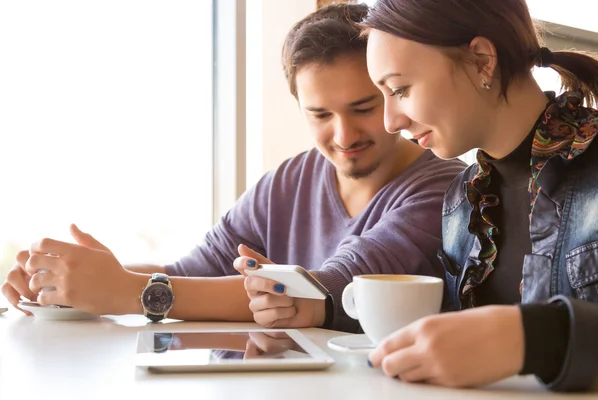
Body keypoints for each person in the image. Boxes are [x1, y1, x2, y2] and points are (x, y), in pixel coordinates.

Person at [0, 4, 464, 332]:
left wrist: (123, 292)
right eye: (320, 115)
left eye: (362, 107)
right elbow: (191, 273)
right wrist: (69, 283)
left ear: (390, 91)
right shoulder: (289, 181)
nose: (344, 136)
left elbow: (327, 290)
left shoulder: (444, 188)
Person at [361, 0, 598, 392]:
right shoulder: (461, 202)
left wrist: (530, 339)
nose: (390, 121)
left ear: (481, 61)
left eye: (400, 89)